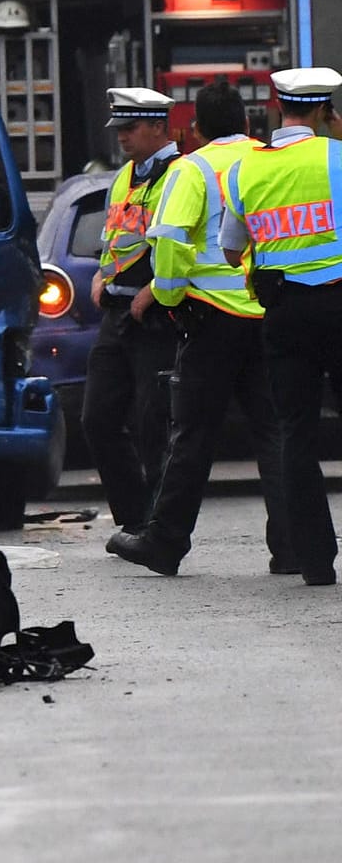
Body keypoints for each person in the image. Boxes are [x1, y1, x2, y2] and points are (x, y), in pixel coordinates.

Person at [107, 82, 297, 576]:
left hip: (210, 318)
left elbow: (168, 244)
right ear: (250, 124)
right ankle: (291, 544)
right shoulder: (268, 161)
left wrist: (166, 298)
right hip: (267, 313)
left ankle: (164, 542)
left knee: (191, 434)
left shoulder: (191, 170)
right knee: (274, 433)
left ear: (195, 130)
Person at [211, 67, 342, 586]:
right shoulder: (337, 158)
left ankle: (314, 562)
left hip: (284, 315)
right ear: (325, 111)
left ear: (276, 106)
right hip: (340, 304)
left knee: (295, 435)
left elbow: (230, 247)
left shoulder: (246, 171)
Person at [82, 87, 182, 533]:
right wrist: (101, 274)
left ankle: (161, 525)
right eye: (119, 128)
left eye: (131, 127)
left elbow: (191, 244)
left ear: (159, 127)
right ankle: (135, 519)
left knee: (153, 425)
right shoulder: (126, 175)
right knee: (97, 418)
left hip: (158, 315)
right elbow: (116, 237)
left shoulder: (180, 175)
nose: (122, 136)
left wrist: (158, 289)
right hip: (117, 311)